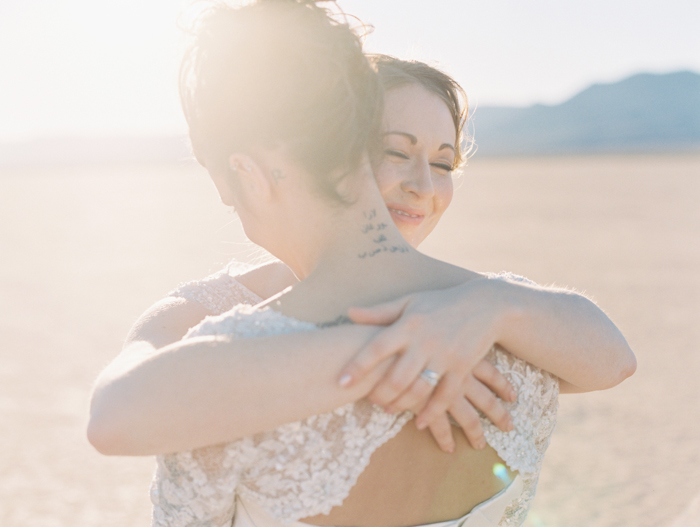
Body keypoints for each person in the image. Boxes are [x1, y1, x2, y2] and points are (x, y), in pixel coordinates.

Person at [86, 1, 635, 526]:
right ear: (356, 145)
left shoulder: (207, 384)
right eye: (397, 150)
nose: (422, 184)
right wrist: (405, 346)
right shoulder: (508, 342)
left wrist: (489, 307)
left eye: (444, 162)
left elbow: (116, 419)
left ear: (248, 173)